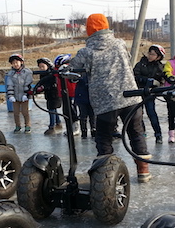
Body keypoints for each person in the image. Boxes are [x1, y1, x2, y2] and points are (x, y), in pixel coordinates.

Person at [69, 13, 152, 183]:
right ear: (107, 27)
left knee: (104, 137)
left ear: (89, 30)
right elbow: (127, 61)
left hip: (106, 102)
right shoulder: (120, 44)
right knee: (136, 133)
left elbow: (72, 71)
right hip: (130, 97)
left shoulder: (86, 52)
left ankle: (106, 173)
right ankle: (143, 170)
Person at [133, 44, 166, 143]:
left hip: (150, 94)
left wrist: (157, 84)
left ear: (158, 57)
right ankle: (142, 132)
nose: (150, 56)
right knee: (139, 114)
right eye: (149, 53)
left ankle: (158, 134)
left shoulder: (159, 67)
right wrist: (146, 80)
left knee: (152, 113)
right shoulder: (141, 64)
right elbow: (135, 75)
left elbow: (162, 80)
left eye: (153, 54)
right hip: (139, 92)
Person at [5, 54, 33, 133]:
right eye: (13, 63)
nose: (15, 64)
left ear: (21, 62)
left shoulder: (27, 72)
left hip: (25, 95)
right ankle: (17, 126)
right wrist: (10, 95)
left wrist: (26, 94)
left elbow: (28, 84)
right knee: (16, 112)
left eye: (17, 62)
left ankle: (27, 126)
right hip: (15, 96)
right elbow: (10, 84)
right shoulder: (10, 74)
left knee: (25, 112)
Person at [36, 57, 62, 135]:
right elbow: (41, 83)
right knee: (53, 109)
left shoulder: (52, 74)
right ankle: (58, 122)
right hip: (49, 95)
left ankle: (52, 127)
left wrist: (43, 87)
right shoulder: (43, 74)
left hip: (55, 94)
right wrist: (37, 89)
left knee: (51, 109)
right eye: (40, 67)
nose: (41, 68)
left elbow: (50, 83)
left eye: (43, 66)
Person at [74, 72, 96, 138]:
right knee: (83, 115)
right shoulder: (80, 72)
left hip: (91, 97)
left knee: (92, 115)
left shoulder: (93, 72)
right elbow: (73, 79)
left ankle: (93, 129)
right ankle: (84, 131)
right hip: (82, 97)